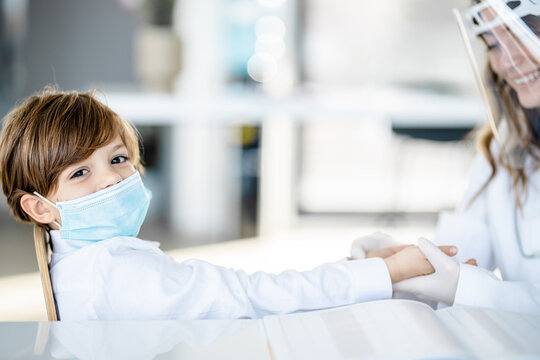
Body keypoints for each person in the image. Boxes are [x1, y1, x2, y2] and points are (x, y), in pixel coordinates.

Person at [0, 88, 456, 321]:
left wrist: (358, 268)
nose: (112, 180)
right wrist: (390, 273)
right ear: (39, 207)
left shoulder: (76, 264)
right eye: (81, 173)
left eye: (118, 159)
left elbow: (235, 294)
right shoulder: (114, 271)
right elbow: (256, 297)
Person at [353, 0, 540, 314]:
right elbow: (462, 256)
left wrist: (465, 288)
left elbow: (466, 287)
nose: (508, 61)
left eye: (522, 34)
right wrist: (403, 265)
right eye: (493, 44)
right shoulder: (503, 149)